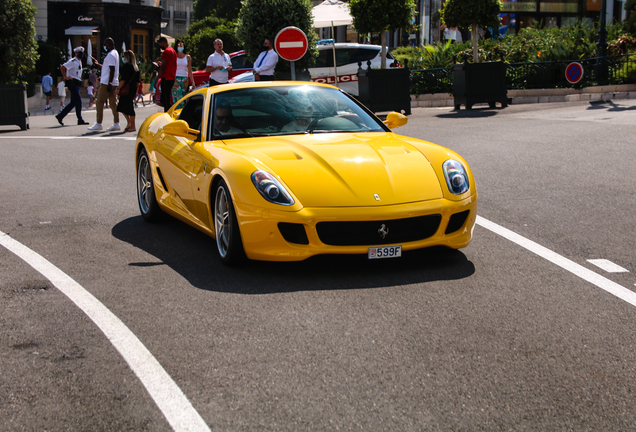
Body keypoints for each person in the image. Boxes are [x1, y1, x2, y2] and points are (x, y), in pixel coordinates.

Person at [88, 37, 120, 131]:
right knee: (113, 103)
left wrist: (109, 83)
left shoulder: (110, 55)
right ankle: (116, 123)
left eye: (105, 45)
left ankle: (98, 123)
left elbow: (112, 70)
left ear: (109, 45)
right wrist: (98, 64)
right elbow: (109, 68)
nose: (104, 47)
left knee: (99, 102)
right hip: (113, 81)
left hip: (107, 82)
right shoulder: (115, 53)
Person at [55, 47, 89, 126]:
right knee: (78, 101)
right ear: (76, 53)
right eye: (79, 53)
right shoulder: (73, 61)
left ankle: (60, 116)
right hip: (72, 83)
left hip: (76, 83)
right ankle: (80, 119)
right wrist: (66, 77)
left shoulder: (78, 61)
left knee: (73, 103)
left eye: (82, 53)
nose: (81, 55)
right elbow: (62, 67)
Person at [116, 50, 140, 133]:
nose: (123, 58)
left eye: (124, 56)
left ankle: (131, 124)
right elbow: (137, 81)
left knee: (124, 107)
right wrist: (136, 91)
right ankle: (130, 123)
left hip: (126, 89)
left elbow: (123, 79)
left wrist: (118, 88)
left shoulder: (126, 66)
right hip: (132, 89)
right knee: (126, 106)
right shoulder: (136, 67)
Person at [157, 36, 177, 112]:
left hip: (166, 77)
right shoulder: (173, 51)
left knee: (165, 100)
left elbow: (163, 67)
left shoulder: (166, 51)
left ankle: (170, 112)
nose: (160, 46)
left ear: (163, 43)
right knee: (165, 98)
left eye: (160, 44)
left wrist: (157, 79)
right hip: (171, 77)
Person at [173, 39, 195, 104]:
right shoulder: (174, 56)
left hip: (185, 79)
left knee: (183, 97)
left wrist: (193, 82)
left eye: (182, 45)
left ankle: (182, 112)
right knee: (177, 96)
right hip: (176, 78)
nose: (180, 46)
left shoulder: (187, 57)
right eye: (179, 45)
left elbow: (190, 70)